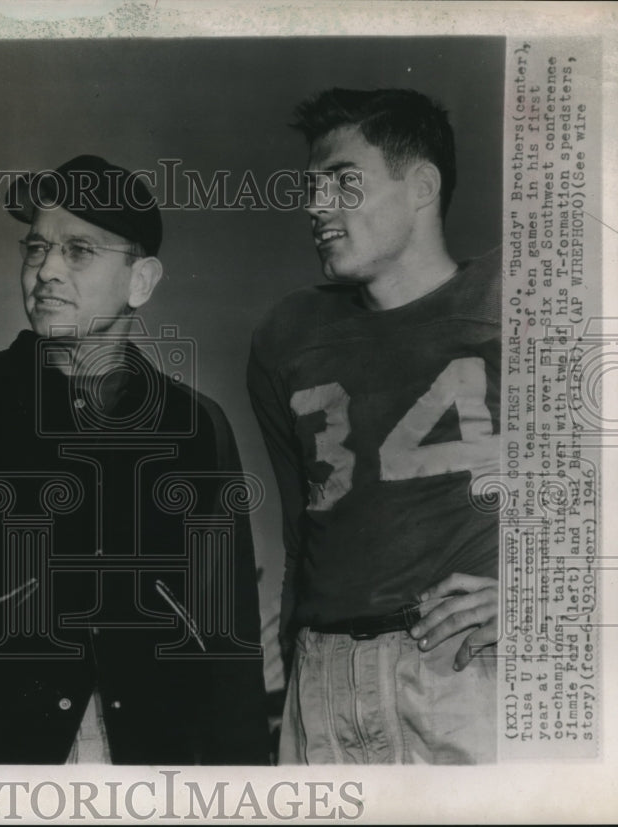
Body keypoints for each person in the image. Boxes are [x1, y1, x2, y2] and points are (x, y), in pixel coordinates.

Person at [0, 155, 269, 764]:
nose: (45, 271)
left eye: (79, 251)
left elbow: (228, 644)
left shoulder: (198, 430)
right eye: (35, 248)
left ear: (141, 281)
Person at [248, 88, 501, 764]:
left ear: (421, 186)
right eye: (310, 186)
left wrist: (545, 597)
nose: (314, 206)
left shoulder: (517, 296)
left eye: (341, 182)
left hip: (459, 666)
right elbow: (301, 537)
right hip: (322, 677)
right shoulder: (288, 335)